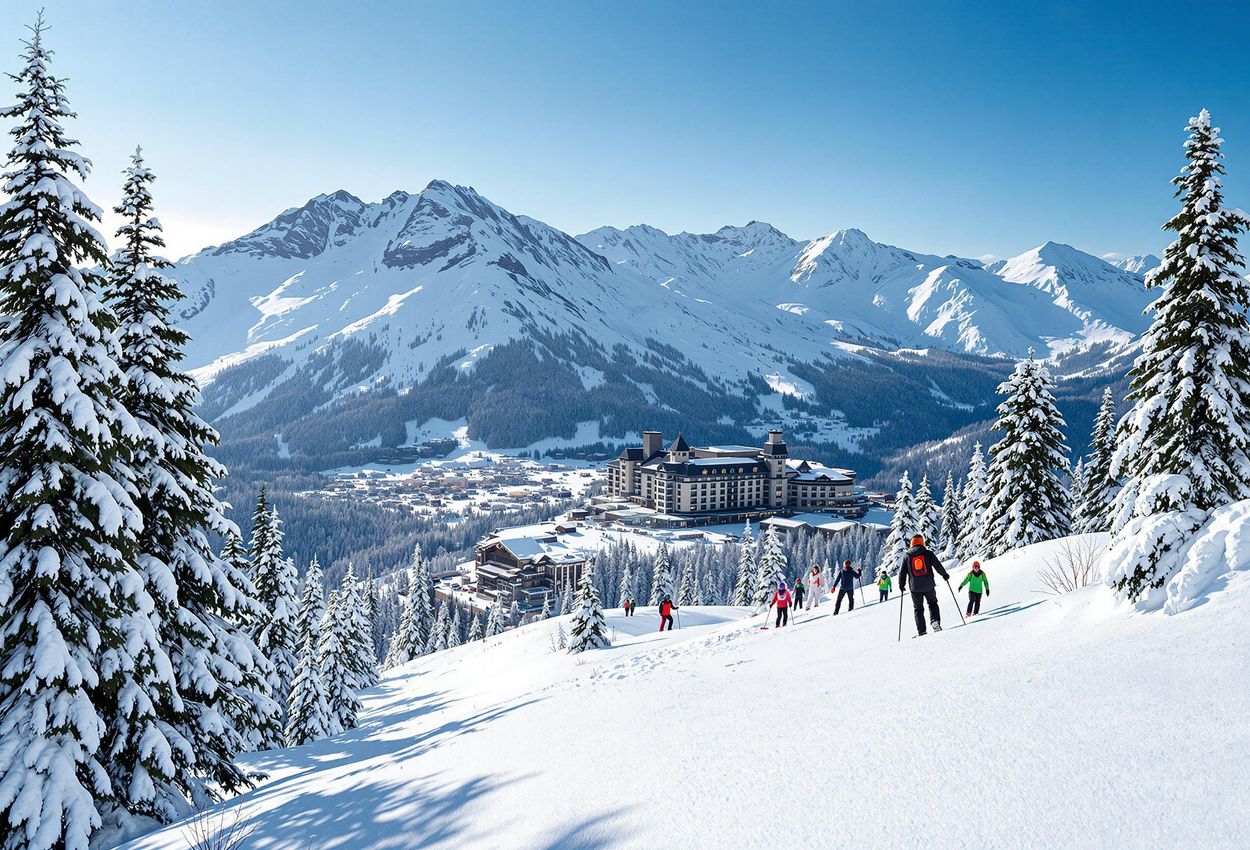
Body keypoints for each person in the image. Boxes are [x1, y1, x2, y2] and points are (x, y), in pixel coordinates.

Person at [898, 534, 950, 636]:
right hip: (929, 585)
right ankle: (935, 621)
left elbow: (902, 572)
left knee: (918, 609)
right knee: (933, 603)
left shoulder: (907, 556)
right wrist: (944, 575)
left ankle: (922, 631)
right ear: (922, 542)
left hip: (915, 588)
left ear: (912, 544)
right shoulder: (928, 553)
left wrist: (901, 584)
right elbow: (937, 565)